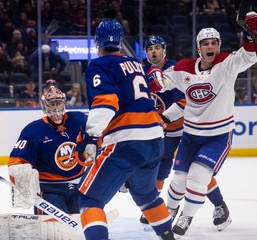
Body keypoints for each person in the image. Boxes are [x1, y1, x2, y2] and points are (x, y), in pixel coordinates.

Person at [148, 12, 257, 238]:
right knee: (179, 179)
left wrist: (252, 35)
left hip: (217, 136)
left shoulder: (227, 64)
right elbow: (161, 80)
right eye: (205, 43)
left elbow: (250, 56)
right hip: (190, 135)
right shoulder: (184, 67)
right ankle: (170, 209)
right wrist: (154, 77)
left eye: (214, 43)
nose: (210, 47)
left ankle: (186, 216)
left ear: (218, 46)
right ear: (199, 48)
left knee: (198, 176)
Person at [74, 20, 175, 240]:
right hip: (155, 140)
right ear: (120, 42)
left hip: (128, 141)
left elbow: (106, 102)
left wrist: (91, 137)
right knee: (146, 195)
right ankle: (169, 237)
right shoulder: (136, 63)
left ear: (97, 43)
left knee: (89, 199)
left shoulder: (99, 65)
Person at [140, 35, 232, 232]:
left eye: (157, 47)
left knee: (198, 172)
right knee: (163, 169)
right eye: (150, 49)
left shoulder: (178, 69)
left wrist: (163, 118)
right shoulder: (146, 72)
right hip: (161, 131)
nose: (154, 51)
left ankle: (219, 205)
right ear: (146, 53)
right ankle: (153, 207)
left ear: (164, 50)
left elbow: (186, 101)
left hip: (183, 129)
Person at [8, 86, 87, 215]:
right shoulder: (33, 130)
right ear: (45, 105)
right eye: (52, 104)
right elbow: (16, 161)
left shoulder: (79, 119)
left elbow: (100, 132)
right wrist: (22, 181)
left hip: (78, 187)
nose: (56, 107)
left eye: (59, 103)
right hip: (49, 189)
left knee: (82, 228)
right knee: (51, 230)